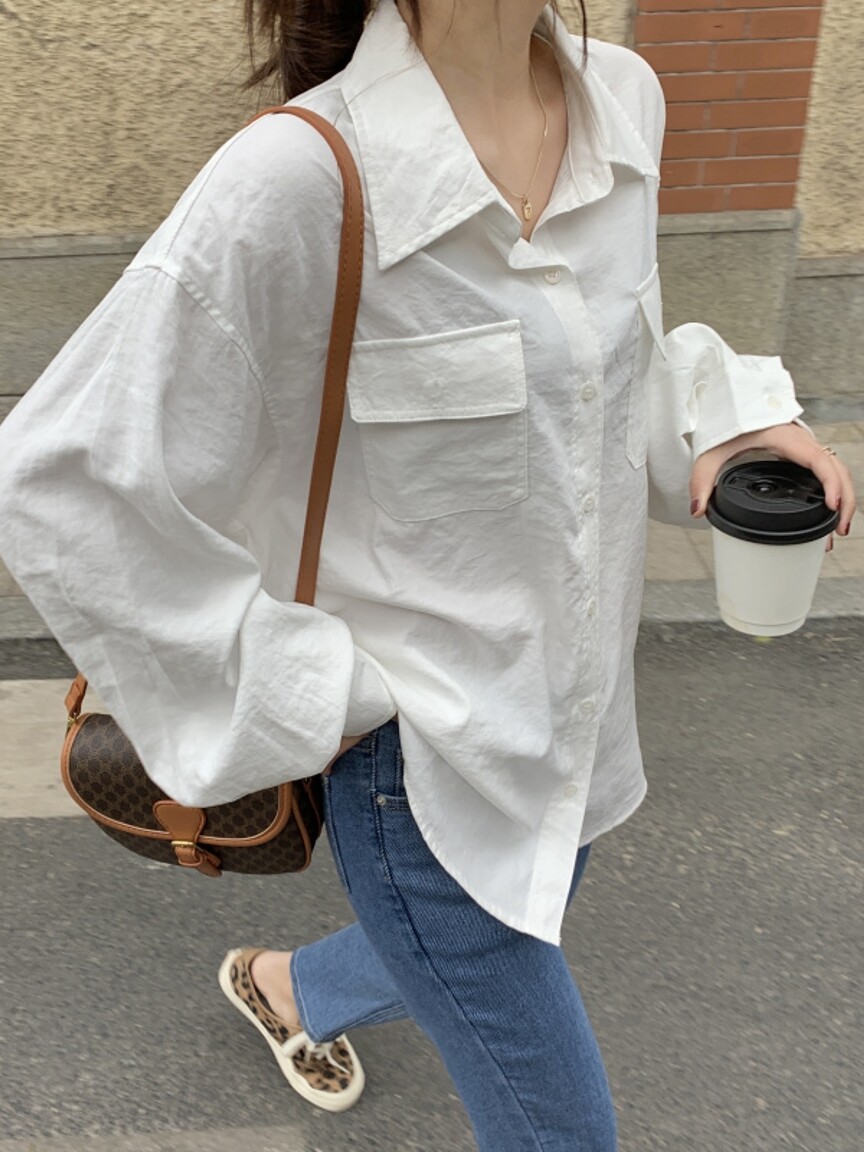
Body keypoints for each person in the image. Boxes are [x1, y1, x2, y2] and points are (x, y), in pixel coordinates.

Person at [0, 1, 856, 1148]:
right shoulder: (301, 177)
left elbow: (597, 373)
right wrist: (318, 692)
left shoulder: (624, 102)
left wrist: (726, 425)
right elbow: (64, 482)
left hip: (576, 724)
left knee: (517, 906)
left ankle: (293, 990)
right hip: (420, 774)